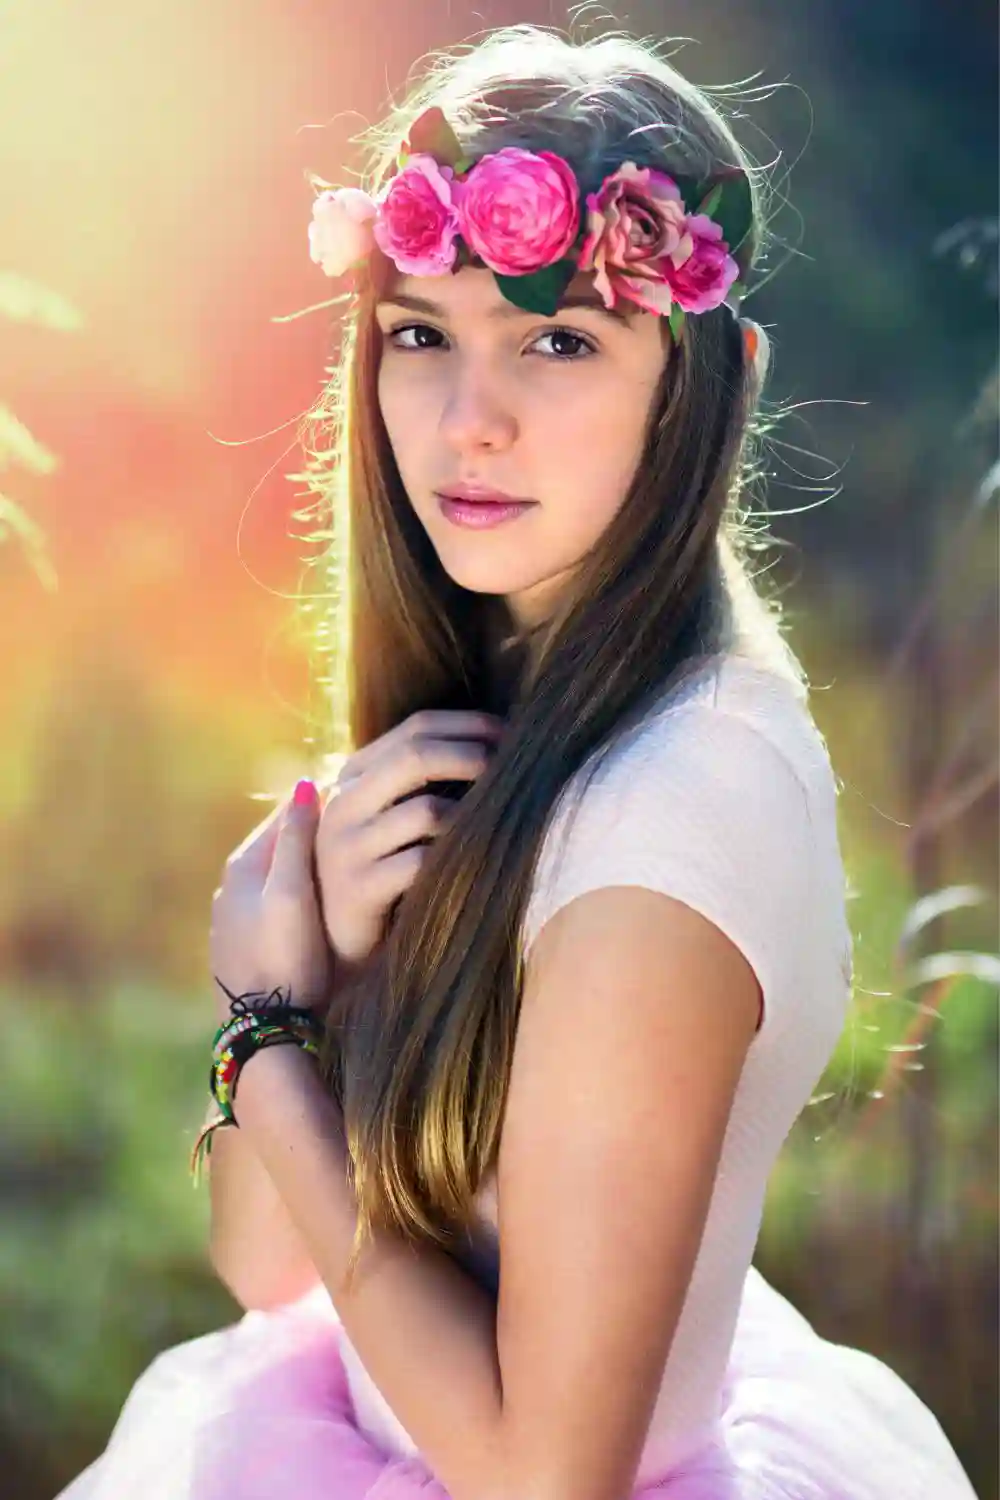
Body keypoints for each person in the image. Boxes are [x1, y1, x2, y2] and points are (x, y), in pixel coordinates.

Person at [55, 23, 977, 1500]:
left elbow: (546, 1478)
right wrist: (316, 995)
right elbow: (265, 1260)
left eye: (559, 339)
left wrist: (268, 1032)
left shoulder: (675, 813)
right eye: (423, 332)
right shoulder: (486, 720)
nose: (468, 422)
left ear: (701, 384)